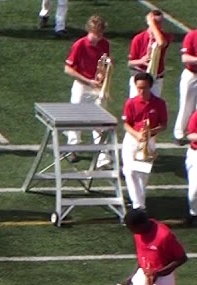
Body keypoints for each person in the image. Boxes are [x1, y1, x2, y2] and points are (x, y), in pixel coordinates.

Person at [63, 16, 111, 155]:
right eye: (97, 33)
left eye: (101, 33)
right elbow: (68, 69)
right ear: (90, 30)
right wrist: (88, 81)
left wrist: (103, 74)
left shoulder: (105, 44)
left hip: (97, 86)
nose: (100, 36)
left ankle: (103, 156)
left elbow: (104, 63)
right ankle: (72, 148)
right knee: (75, 118)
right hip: (82, 85)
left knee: (100, 120)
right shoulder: (79, 45)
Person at [121, 73, 168, 211]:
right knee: (129, 171)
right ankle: (138, 205)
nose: (141, 91)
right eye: (138, 88)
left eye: (144, 88)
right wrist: (137, 134)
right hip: (132, 139)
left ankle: (139, 204)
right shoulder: (131, 102)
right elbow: (126, 124)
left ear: (150, 87)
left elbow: (164, 124)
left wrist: (150, 132)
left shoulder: (159, 103)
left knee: (142, 174)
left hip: (149, 140)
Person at [127, 12, 169, 99]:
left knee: (153, 106)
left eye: (160, 22)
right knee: (136, 104)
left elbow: (161, 43)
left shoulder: (165, 36)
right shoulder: (138, 38)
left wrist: (152, 24)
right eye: (156, 22)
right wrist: (141, 61)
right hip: (140, 76)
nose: (159, 25)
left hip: (156, 79)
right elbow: (130, 63)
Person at [173, 27, 197, 145]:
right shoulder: (192, 36)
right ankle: (179, 134)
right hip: (192, 74)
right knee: (186, 105)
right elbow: (185, 58)